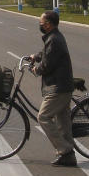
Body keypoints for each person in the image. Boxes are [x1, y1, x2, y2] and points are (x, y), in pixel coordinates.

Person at [28, 10, 76, 166]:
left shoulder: (54, 39)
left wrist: (37, 69)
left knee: (43, 117)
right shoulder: (53, 37)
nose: (40, 25)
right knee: (63, 123)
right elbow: (46, 54)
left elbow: (48, 64)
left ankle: (65, 150)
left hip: (58, 87)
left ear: (48, 24)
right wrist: (35, 56)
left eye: (41, 23)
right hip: (61, 85)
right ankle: (68, 156)